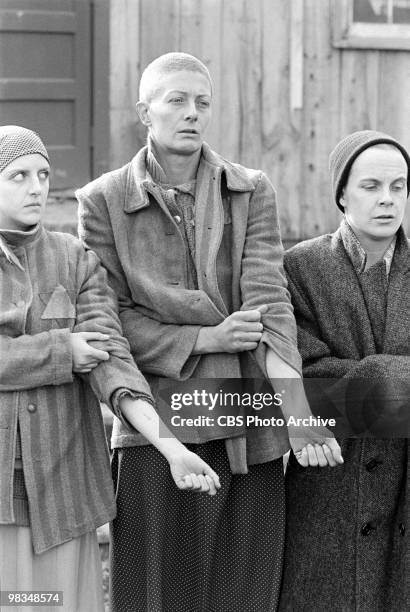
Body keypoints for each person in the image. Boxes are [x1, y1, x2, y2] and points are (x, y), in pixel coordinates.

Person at [77, 52, 342, 612]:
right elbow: (111, 321)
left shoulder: (251, 190)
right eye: (176, 100)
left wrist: (297, 414)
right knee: (155, 594)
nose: (191, 113)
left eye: (202, 102)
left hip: (249, 421)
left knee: (245, 593)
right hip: (162, 425)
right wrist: (205, 339)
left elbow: (269, 306)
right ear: (144, 111)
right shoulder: (101, 201)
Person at [0, 125, 221, 612]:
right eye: (18, 175)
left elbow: (113, 362)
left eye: (42, 174)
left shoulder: (75, 259)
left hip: (61, 491)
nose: (36, 187)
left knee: (52, 604)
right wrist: (61, 351)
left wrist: (171, 447)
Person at [279, 130, 410, 611]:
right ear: (341, 194)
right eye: (371, 186)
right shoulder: (300, 268)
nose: (387, 200)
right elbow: (307, 378)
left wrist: (361, 376)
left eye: (399, 187)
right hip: (327, 483)